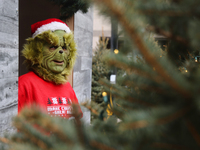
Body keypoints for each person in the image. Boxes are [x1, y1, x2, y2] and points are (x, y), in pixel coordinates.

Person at [18, 18, 83, 119]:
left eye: (64, 48)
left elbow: (78, 124)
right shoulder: (23, 84)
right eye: (53, 47)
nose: (61, 51)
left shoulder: (67, 86)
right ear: (37, 51)